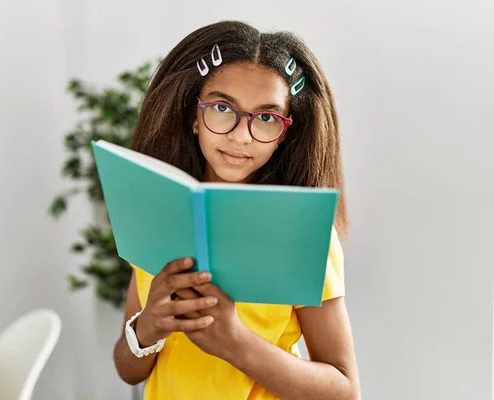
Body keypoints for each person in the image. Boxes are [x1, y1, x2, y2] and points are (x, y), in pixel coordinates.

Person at [112, 20, 360, 400]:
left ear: (285, 133)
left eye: (266, 117)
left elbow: (344, 390)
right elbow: (128, 370)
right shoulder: (158, 213)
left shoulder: (302, 232)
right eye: (222, 108)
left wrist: (235, 343)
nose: (241, 135)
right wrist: (148, 326)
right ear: (194, 115)